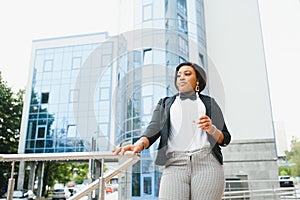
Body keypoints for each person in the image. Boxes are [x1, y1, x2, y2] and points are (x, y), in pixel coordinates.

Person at [113, 62, 231, 200]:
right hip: (174, 164)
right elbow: (153, 128)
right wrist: (140, 143)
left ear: (198, 80)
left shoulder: (210, 103)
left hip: (207, 164)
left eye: (187, 74)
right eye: (178, 75)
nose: (181, 77)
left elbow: (225, 138)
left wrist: (211, 129)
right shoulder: (165, 103)